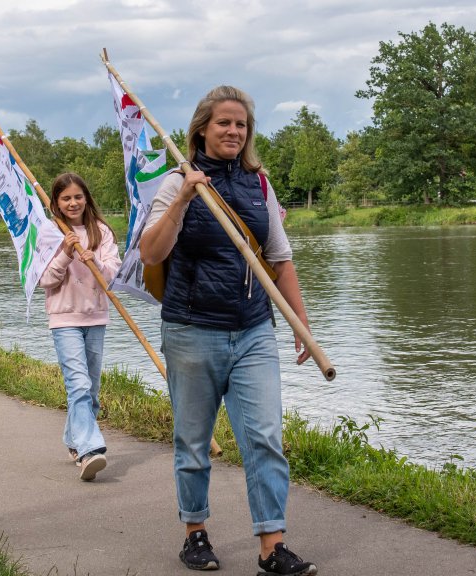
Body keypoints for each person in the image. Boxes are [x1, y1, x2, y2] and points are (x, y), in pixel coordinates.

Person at [140, 86, 318, 575]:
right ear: (202, 128)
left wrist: (300, 324)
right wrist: (184, 198)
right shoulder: (176, 183)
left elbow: (279, 260)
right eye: (224, 123)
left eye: (241, 124)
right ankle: (195, 533)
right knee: (193, 442)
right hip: (192, 330)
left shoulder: (259, 186)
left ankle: (272, 546)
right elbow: (151, 253)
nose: (234, 132)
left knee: (264, 438)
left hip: (254, 330)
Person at [37, 173, 121, 482]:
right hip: (64, 319)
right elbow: (45, 279)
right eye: (66, 198)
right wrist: (65, 253)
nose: (73, 203)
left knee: (92, 390)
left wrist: (94, 262)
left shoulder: (101, 232)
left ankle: (74, 440)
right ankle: (89, 451)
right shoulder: (49, 231)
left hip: (95, 317)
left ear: (86, 198)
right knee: (79, 385)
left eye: (78, 197)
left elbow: (113, 274)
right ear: (56, 203)